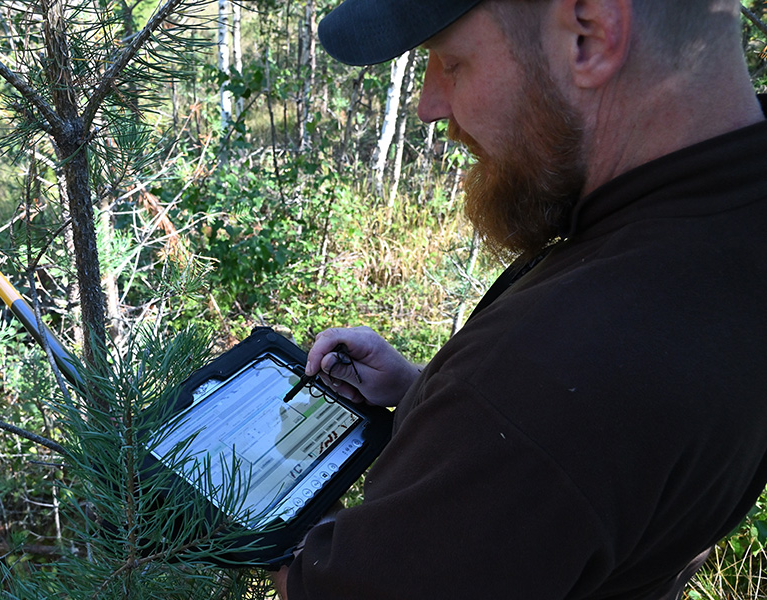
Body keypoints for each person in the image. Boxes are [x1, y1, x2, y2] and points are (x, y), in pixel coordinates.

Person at [275, 0, 767, 598]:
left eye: (451, 61)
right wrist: (427, 394)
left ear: (589, 34)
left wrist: (279, 525)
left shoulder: (540, 379)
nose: (429, 107)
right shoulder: (732, 213)